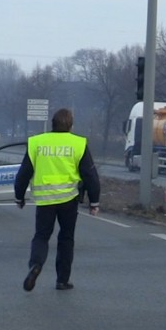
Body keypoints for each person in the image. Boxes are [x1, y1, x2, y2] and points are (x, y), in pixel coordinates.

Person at [14, 108, 100, 292]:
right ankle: (62, 280)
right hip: (69, 200)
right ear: (71, 125)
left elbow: (23, 173)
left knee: (41, 236)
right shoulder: (78, 144)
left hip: (45, 200)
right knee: (66, 238)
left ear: (52, 123)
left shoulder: (37, 142)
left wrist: (19, 196)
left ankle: (35, 265)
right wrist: (94, 202)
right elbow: (90, 175)